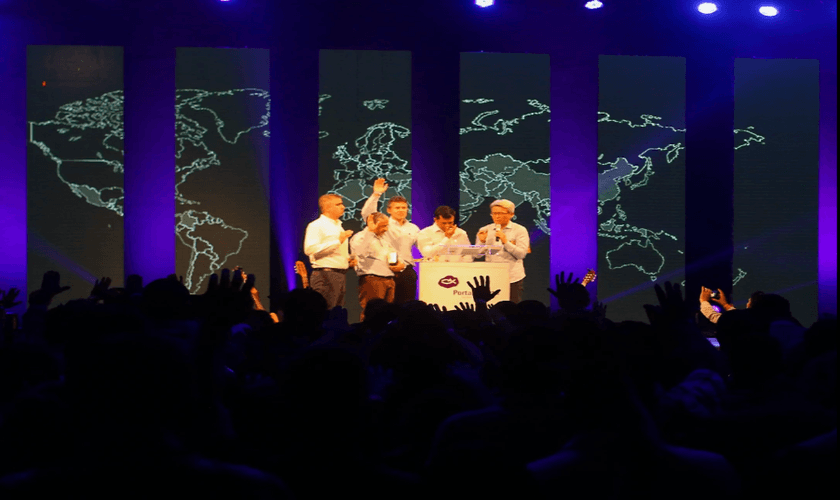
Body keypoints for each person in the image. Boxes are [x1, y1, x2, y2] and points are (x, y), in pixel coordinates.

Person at [360, 178, 421, 304]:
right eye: (397, 207)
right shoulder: (384, 224)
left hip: (407, 271)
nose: (401, 210)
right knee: (387, 306)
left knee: (407, 306)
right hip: (387, 270)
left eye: (404, 207)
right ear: (389, 210)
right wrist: (376, 194)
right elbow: (368, 214)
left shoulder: (413, 228)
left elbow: (423, 247)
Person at [303, 194, 357, 309]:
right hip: (325, 275)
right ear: (327, 208)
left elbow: (335, 252)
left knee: (336, 313)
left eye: (342, 204)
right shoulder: (317, 225)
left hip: (339, 275)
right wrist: (338, 241)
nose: (343, 207)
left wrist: (347, 261)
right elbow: (309, 249)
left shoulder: (338, 226)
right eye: (338, 204)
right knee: (325, 311)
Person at [350, 212, 405, 321]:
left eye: (387, 225)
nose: (386, 229)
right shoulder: (360, 237)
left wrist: (401, 264)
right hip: (372, 279)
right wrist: (370, 232)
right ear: (373, 224)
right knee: (372, 314)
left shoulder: (384, 239)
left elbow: (394, 254)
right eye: (383, 226)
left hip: (389, 279)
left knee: (387, 314)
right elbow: (359, 252)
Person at [475, 200, 529, 303]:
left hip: (512, 278)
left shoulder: (520, 230)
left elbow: (521, 254)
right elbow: (477, 255)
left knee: (512, 308)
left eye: (500, 213)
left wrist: (505, 241)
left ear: (511, 214)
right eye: (494, 213)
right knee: (492, 306)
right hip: (492, 276)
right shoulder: (485, 229)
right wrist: (482, 242)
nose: (497, 216)